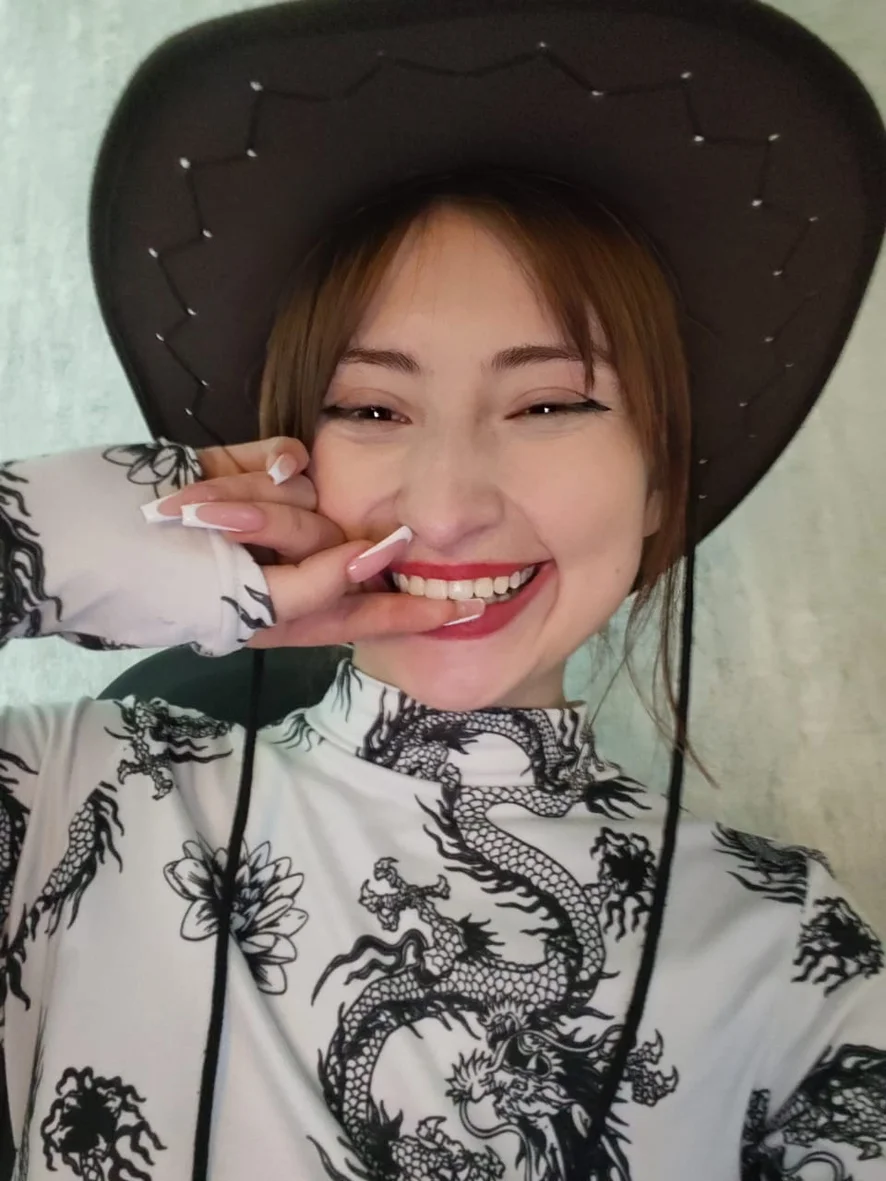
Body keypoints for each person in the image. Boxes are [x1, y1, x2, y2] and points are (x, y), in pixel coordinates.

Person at [1, 1, 884, 1179]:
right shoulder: (71, 799)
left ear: (661, 479)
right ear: (287, 458)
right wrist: (38, 547)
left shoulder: (788, 954)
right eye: (371, 407)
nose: (452, 501)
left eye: (549, 402)